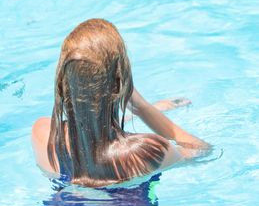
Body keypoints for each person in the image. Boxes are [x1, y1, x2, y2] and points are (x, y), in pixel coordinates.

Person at [32, 19, 209, 187]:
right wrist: (142, 107)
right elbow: (201, 150)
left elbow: (89, 134)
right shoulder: (147, 152)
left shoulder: (43, 133)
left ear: (63, 83)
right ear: (120, 85)